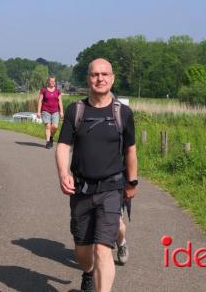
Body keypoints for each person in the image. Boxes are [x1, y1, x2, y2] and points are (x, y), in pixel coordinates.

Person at [55, 58, 138, 292]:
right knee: (83, 253)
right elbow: (62, 146)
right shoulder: (76, 110)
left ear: (112, 78)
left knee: (103, 249)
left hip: (112, 188)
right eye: (94, 75)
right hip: (81, 190)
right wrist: (63, 173)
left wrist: (132, 181)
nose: (99, 79)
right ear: (88, 78)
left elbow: (130, 150)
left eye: (104, 74)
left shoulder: (123, 113)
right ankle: (88, 272)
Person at [37, 76, 64, 149]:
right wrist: (38, 112)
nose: (53, 83)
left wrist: (61, 111)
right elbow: (40, 101)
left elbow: (60, 101)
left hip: (55, 111)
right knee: (48, 126)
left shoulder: (57, 91)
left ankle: (51, 137)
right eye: (51, 81)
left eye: (54, 81)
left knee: (55, 126)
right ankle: (48, 142)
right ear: (48, 82)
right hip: (45, 111)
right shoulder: (44, 90)